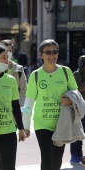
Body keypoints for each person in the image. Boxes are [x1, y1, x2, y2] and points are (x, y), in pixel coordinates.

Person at [22, 39, 78, 170]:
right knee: (47, 158)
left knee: (57, 159)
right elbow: (28, 103)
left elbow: (76, 94)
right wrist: (25, 126)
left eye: (54, 52)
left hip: (61, 124)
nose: (52, 55)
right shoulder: (35, 75)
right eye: (48, 52)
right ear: (41, 55)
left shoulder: (66, 72)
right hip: (42, 124)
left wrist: (69, 100)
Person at [0, 39, 27, 170]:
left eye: (9, 51)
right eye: (4, 50)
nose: (7, 53)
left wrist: (18, 108)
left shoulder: (18, 69)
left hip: (12, 114)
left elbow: (23, 91)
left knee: (8, 147)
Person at [70, 55, 85, 164]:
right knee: (77, 135)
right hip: (79, 108)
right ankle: (76, 157)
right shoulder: (76, 74)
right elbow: (75, 90)